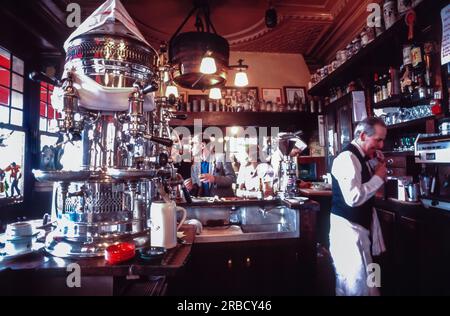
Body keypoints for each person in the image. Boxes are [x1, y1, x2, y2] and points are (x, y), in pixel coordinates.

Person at [329, 117, 388, 296]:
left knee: (371, 279)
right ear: (362, 135)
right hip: (349, 232)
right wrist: (378, 176)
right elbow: (354, 197)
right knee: (354, 284)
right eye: (378, 139)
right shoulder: (347, 158)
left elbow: (368, 190)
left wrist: (374, 166)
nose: (382, 145)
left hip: (363, 228)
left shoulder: (361, 157)